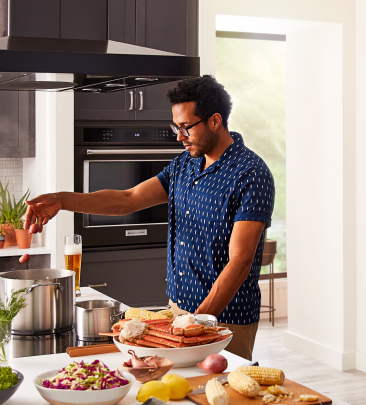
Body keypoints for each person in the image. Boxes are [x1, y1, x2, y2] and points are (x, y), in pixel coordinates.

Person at [25, 75, 275, 360]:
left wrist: (199, 322)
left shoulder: (251, 174)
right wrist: (62, 200)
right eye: (175, 126)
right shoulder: (185, 164)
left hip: (225, 319)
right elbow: (127, 199)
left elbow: (240, 261)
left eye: (186, 127)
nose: (179, 136)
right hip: (178, 309)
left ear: (215, 121)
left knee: (216, 397)